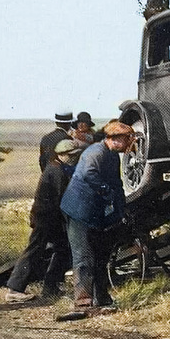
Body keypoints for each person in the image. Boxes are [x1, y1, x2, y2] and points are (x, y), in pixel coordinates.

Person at [60, 120, 133, 310]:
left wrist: (121, 208)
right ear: (115, 139)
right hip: (78, 211)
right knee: (83, 255)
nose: (129, 143)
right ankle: (83, 301)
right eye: (126, 139)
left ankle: (101, 297)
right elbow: (89, 175)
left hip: (93, 211)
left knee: (100, 254)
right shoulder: (95, 152)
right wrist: (106, 191)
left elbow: (116, 185)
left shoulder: (112, 156)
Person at [4, 138, 81, 303]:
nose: (74, 157)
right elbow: (63, 198)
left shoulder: (55, 167)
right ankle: (15, 289)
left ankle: (50, 286)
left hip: (48, 218)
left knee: (61, 249)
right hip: (46, 219)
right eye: (71, 155)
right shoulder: (57, 172)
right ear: (62, 155)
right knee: (34, 251)